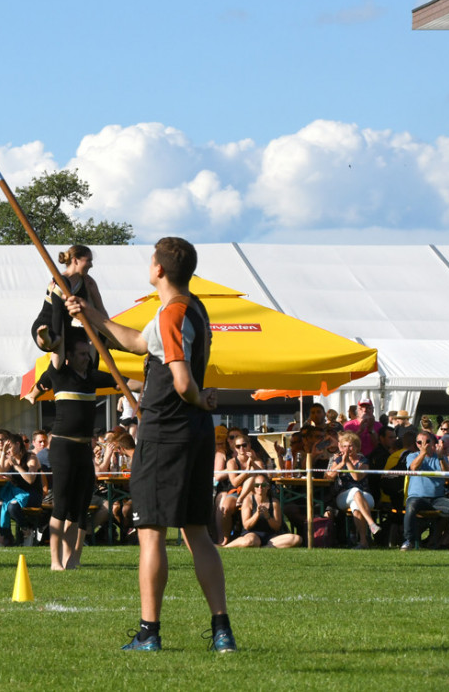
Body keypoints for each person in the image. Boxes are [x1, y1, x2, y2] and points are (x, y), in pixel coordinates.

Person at [67, 236, 235, 653]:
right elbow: (140, 345)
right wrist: (94, 316)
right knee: (197, 533)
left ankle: (149, 632)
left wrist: (198, 394)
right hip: (194, 431)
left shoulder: (171, 314)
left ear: (159, 269)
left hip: (166, 433)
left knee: (151, 533)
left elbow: (180, 381)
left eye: (150, 261)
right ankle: (221, 631)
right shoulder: (191, 307)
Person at [35, 336, 126, 569]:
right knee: (61, 505)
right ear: (70, 357)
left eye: (88, 354)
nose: (87, 358)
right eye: (83, 354)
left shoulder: (92, 378)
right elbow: (57, 344)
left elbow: (123, 382)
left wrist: (152, 384)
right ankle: (56, 561)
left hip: (84, 448)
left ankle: (72, 559)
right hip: (63, 447)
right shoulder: (60, 375)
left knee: (79, 507)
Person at [31, 244, 108, 353]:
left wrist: (108, 332)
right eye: (88, 260)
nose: (91, 265)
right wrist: (57, 336)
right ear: (75, 261)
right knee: (51, 343)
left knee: (93, 340)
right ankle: (45, 338)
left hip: (68, 329)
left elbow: (101, 310)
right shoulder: (60, 280)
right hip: (49, 324)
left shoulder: (88, 282)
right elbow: (57, 312)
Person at [402, 432, 449, 551]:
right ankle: (409, 541)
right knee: (410, 506)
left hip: (437, 498)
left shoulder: (440, 457)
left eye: (427, 441)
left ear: (433, 443)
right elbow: (413, 468)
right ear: (416, 444)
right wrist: (423, 453)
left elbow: (447, 476)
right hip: (417, 498)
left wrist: (441, 457)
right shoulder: (412, 456)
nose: (424, 444)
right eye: (419, 442)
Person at [326, 430, 380, 548]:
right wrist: (341, 464)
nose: (347, 449)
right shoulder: (338, 460)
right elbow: (328, 476)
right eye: (344, 446)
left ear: (357, 447)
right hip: (343, 496)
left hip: (366, 496)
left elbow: (356, 477)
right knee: (355, 492)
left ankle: (363, 542)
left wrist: (348, 462)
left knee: (356, 504)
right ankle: (371, 523)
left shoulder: (363, 461)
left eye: (350, 446)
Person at [223, 475, 301, 548]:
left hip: (271, 537)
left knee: (297, 539)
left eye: (263, 485)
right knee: (251, 541)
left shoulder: (274, 502)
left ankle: (266, 547)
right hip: (253, 534)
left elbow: (277, 527)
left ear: (268, 487)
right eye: (257, 485)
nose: (260, 487)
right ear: (253, 487)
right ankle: (227, 547)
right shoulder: (248, 500)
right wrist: (257, 514)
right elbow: (246, 526)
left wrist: (268, 517)